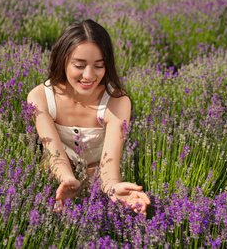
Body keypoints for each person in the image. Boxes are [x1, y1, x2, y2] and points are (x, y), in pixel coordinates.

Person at [27, 19, 151, 214]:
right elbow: (54, 154)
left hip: (97, 173)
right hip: (56, 170)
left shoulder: (117, 101)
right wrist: (68, 180)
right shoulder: (40, 97)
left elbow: (109, 167)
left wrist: (114, 188)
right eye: (79, 65)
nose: (89, 75)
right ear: (63, 60)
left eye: (99, 66)